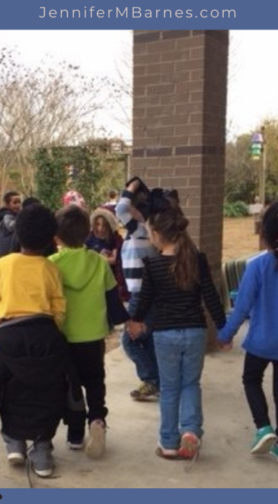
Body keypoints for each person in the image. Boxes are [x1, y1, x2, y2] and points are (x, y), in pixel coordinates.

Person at [0, 203, 76, 479]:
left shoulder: (4, 265)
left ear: (18, 233)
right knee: (46, 390)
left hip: (9, 334)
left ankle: (14, 442)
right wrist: (52, 331)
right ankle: (42, 452)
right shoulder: (50, 268)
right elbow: (59, 308)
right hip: (46, 334)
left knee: (6, 387)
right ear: (49, 238)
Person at [217, 199, 278, 465]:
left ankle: (263, 428)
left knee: (251, 380)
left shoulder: (256, 267)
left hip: (260, 342)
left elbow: (241, 308)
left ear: (264, 232)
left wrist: (225, 335)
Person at [130, 208, 226, 460]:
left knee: (170, 388)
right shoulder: (197, 259)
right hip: (195, 332)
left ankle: (169, 443)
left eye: (150, 233)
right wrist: (223, 329)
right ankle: (191, 432)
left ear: (158, 234)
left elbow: (146, 299)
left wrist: (136, 321)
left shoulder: (153, 264)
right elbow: (211, 296)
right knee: (190, 384)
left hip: (165, 334)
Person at [49, 205, 123, 459]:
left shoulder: (51, 265)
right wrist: (127, 322)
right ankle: (98, 421)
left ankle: (75, 435)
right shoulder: (99, 262)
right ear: (88, 232)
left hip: (64, 337)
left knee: (71, 387)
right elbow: (113, 300)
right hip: (93, 337)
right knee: (94, 382)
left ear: (56, 236)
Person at [115, 178, 161, 401]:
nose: (128, 207)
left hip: (141, 295)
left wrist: (132, 185)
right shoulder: (144, 232)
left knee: (130, 339)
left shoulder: (140, 230)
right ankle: (157, 380)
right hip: (146, 294)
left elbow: (120, 208)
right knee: (147, 338)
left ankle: (151, 378)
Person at [86, 208, 129, 302]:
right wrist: (101, 258)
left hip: (111, 282)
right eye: (97, 224)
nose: (100, 228)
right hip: (93, 282)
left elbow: (114, 260)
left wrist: (96, 258)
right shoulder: (89, 238)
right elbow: (85, 260)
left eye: (104, 225)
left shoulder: (115, 239)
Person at [0, 190, 22, 258]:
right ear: (7, 204)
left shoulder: (14, 215)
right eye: (15, 203)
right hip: (7, 252)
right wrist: (23, 220)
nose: (18, 205)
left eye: (19, 202)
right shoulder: (7, 215)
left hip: (9, 252)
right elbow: (11, 226)